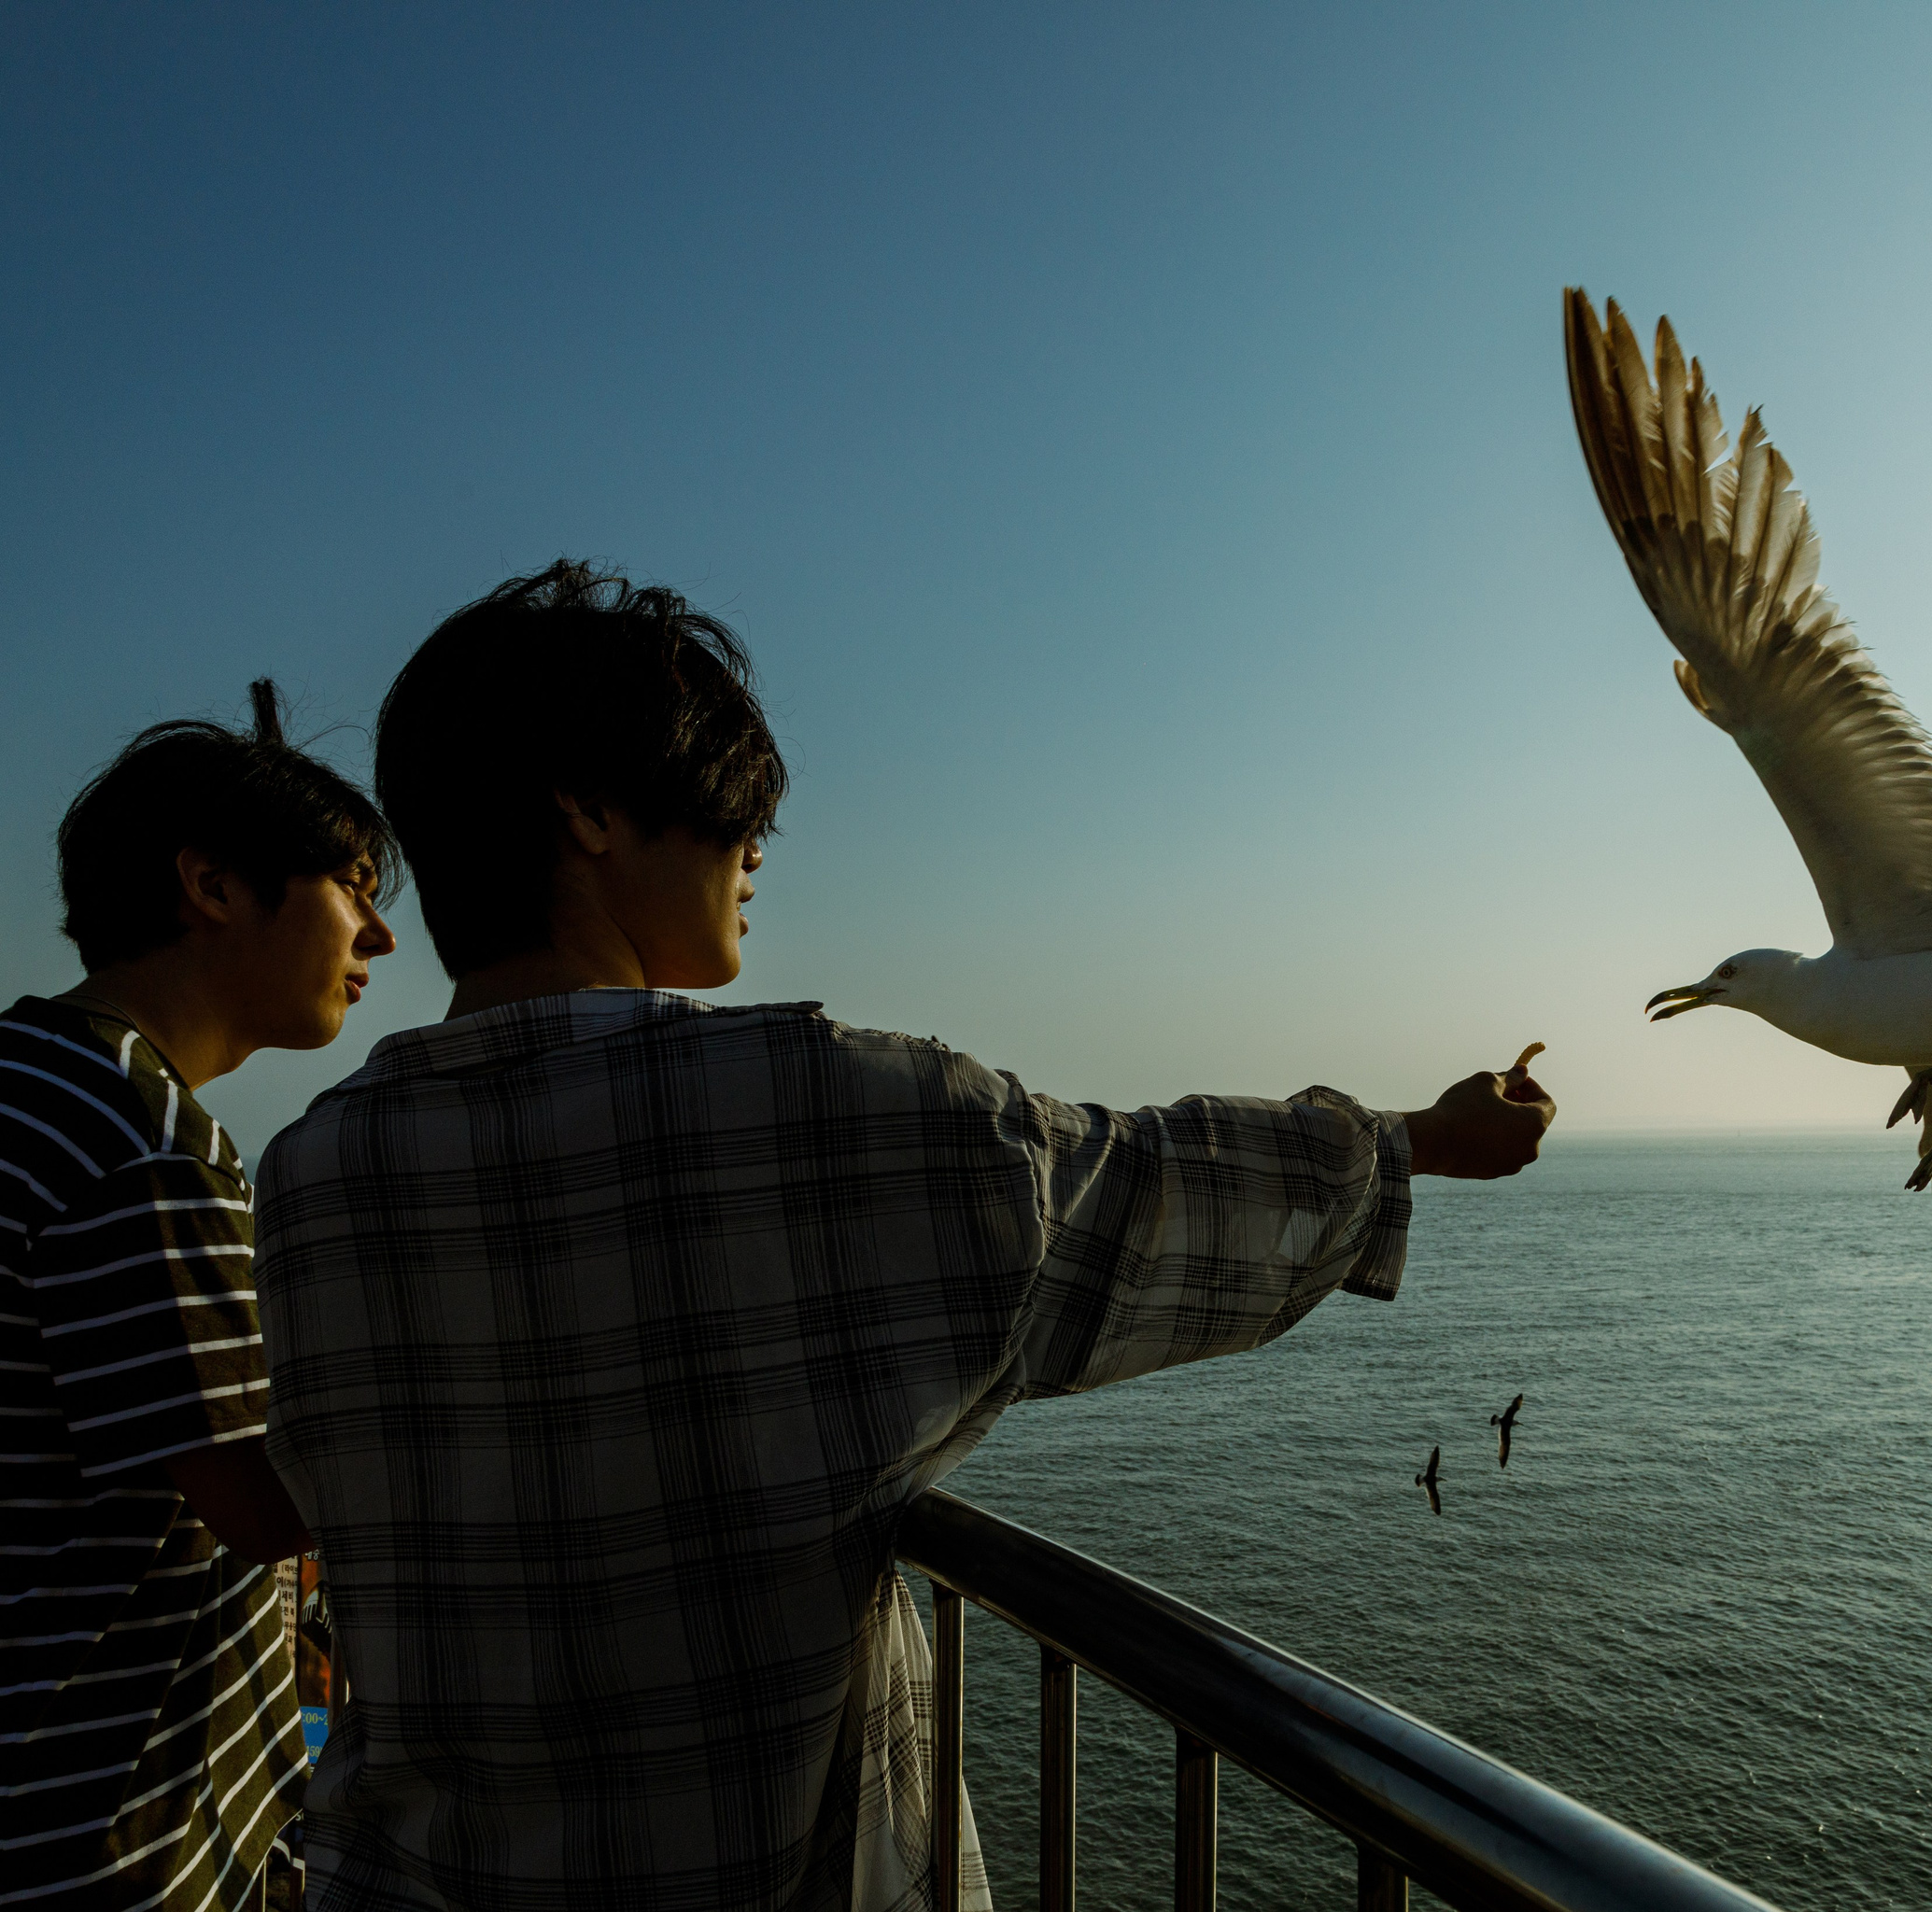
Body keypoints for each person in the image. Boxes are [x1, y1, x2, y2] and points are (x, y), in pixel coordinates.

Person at [255, 561, 1554, 1912]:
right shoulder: (833, 1113)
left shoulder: (310, 1174)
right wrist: (1415, 1141)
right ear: (586, 810)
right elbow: (1155, 1193)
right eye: (733, 807)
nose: (755, 847)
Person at [2, 683, 398, 1911]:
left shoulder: (33, 1081)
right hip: (106, 1838)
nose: (379, 941)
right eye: (356, 892)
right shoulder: (141, 1144)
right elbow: (267, 1507)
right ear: (214, 886)